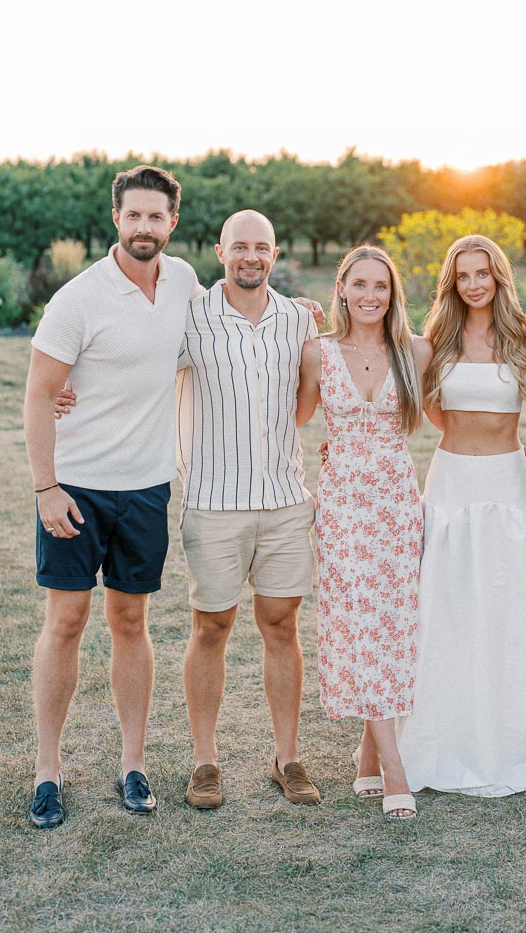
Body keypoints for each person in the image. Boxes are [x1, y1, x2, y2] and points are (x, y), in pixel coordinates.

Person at [23, 165, 196, 827]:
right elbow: (39, 391)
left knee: (131, 622)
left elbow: (229, 320)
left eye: (157, 217)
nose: (145, 227)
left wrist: (298, 311)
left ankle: (133, 764)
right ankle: (47, 771)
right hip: (77, 490)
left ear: (171, 223)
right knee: (65, 621)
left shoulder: (182, 282)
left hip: (147, 489)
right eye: (135, 216)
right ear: (116, 219)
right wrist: (46, 487)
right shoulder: (78, 298)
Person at [395, 235, 526, 796]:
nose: (473, 284)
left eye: (482, 273)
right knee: (447, 606)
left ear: (498, 277)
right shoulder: (434, 339)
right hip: (452, 483)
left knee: (508, 606)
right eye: (463, 275)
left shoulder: (523, 337)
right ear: (452, 282)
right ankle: (443, 742)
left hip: (509, 484)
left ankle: (513, 743)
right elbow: (428, 409)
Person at [178, 210, 322, 810]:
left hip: (286, 502)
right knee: (211, 627)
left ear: (274, 253)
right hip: (213, 502)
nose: (251, 257)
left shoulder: (298, 319)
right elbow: (136, 373)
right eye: (240, 247)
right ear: (220, 251)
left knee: (281, 627)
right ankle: (204, 761)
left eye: (261, 247)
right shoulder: (191, 320)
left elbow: (308, 404)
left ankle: (287, 757)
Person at [297, 246, 430, 820]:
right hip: (345, 500)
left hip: (398, 502)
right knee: (361, 623)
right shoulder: (317, 352)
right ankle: (392, 762)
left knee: (396, 622)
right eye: (360, 284)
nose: (371, 295)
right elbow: (293, 417)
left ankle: (369, 754)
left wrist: (510, 446)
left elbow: (448, 416)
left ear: (392, 293)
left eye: (382, 285)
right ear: (342, 288)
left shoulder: (415, 350)